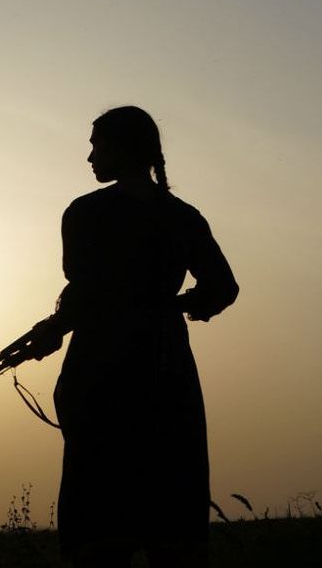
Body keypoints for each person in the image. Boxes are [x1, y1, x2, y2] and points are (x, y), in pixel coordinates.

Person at [13, 106, 238, 567]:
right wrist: (171, 308)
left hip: (101, 371)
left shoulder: (85, 213)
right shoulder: (182, 216)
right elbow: (222, 288)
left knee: (96, 512)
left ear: (125, 148)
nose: (90, 156)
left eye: (98, 144)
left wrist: (54, 330)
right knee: (171, 506)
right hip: (165, 368)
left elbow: (85, 291)